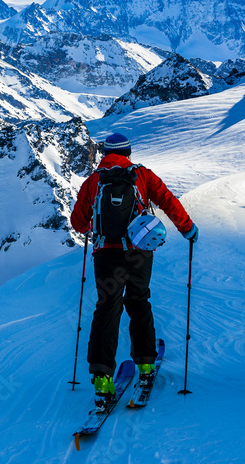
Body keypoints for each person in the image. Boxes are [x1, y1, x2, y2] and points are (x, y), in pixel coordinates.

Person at [69, 132, 199, 406]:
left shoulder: (94, 181)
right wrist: (187, 229)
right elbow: (167, 200)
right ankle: (146, 367)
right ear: (128, 152)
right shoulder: (142, 175)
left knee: (107, 308)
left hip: (106, 255)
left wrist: (95, 228)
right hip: (139, 252)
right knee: (138, 302)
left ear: (104, 153)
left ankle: (102, 378)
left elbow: (78, 221)